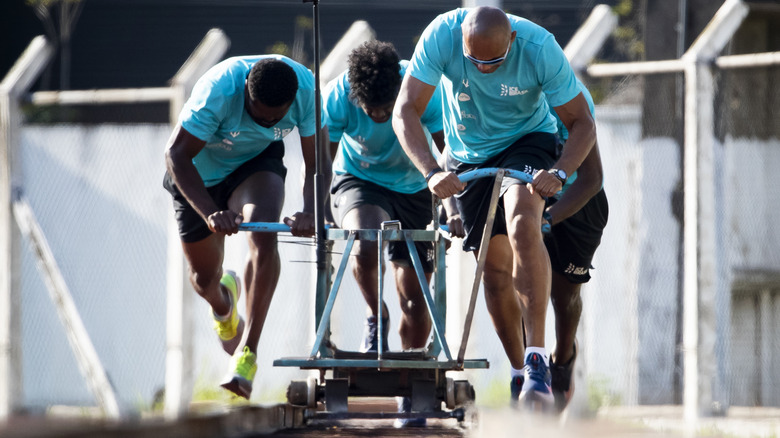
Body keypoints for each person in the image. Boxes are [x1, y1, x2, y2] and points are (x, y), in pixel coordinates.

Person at [392, 6, 596, 408]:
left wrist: (559, 171)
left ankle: (539, 359)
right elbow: (405, 111)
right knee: (494, 266)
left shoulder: (540, 47)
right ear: (461, 44)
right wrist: (433, 171)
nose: (485, 70)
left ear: (512, 43)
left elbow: (583, 124)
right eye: (474, 62)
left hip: (528, 140)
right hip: (469, 152)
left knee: (523, 220)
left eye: (495, 62)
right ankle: (520, 372)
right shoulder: (440, 36)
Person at [163, 55, 322, 399]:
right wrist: (209, 212)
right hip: (198, 175)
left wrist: (311, 211)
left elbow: (317, 164)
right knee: (204, 279)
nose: (266, 122)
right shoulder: (219, 90)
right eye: (258, 113)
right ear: (246, 92)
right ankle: (224, 306)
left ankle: (247, 353)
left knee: (263, 236)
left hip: (255, 165)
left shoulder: (308, 91)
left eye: (275, 118)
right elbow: (175, 155)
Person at [322, 40, 446, 427]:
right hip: (360, 181)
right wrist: (319, 208)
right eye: (369, 109)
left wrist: (451, 207)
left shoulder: (423, 86)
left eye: (385, 108)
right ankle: (376, 318)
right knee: (365, 239)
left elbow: (446, 150)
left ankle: (410, 387)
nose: (377, 115)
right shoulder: (337, 94)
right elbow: (322, 158)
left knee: (415, 299)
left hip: (415, 186)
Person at [508, 79, 609, 413]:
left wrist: (549, 219)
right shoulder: (500, 101)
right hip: (525, 203)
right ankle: (529, 370)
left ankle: (563, 358)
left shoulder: (570, 97)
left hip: (579, 203)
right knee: (524, 287)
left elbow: (592, 179)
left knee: (564, 297)